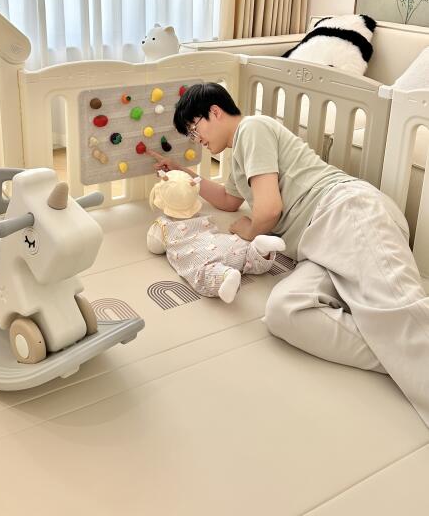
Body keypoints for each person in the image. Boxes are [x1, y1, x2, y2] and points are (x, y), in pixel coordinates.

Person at [148, 82, 429, 427]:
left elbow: (268, 209)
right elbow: (227, 200)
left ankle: (408, 353)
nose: (197, 140)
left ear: (215, 112)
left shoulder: (253, 128)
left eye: (194, 129)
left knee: (399, 311)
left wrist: (250, 231)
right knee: (284, 312)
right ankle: (401, 356)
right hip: (315, 248)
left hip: (343, 211)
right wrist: (183, 173)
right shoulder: (240, 156)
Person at [146, 167, 286, 302]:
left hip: (203, 256)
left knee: (204, 274)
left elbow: (154, 247)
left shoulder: (163, 225)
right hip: (227, 244)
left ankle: (226, 276)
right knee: (247, 255)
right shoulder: (200, 216)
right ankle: (259, 250)